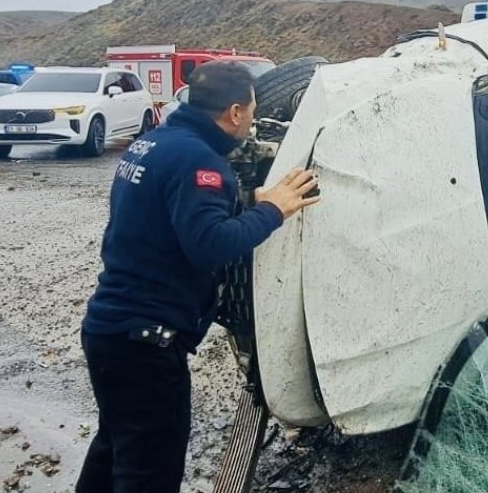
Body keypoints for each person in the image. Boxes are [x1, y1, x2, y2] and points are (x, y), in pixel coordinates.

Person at [76, 62, 320, 492]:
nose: (252, 117)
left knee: (115, 447)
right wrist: (273, 209)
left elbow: (169, 212)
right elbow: (209, 243)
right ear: (235, 113)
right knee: (149, 471)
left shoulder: (154, 142)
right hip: (146, 344)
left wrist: (244, 197)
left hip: (109, 329)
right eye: (251, 108)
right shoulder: (200, 161)